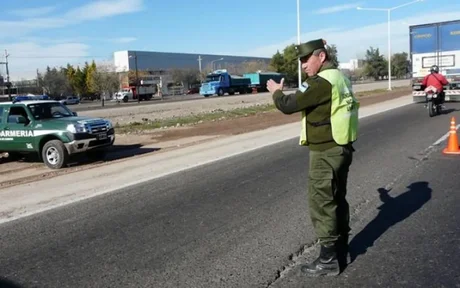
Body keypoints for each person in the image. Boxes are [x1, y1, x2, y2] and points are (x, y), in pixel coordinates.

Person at [266, 39, 359, 276]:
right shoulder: (340, 77)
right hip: (342, 147)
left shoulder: (320, 83)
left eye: (306, 60)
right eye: (301, 61)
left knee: (322, 202)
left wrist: (276, 92)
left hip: (326, 151)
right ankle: (341, 250)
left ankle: (328, 260)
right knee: (338, 199)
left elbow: (289, 105)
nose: (303, 66)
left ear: (322, 56)